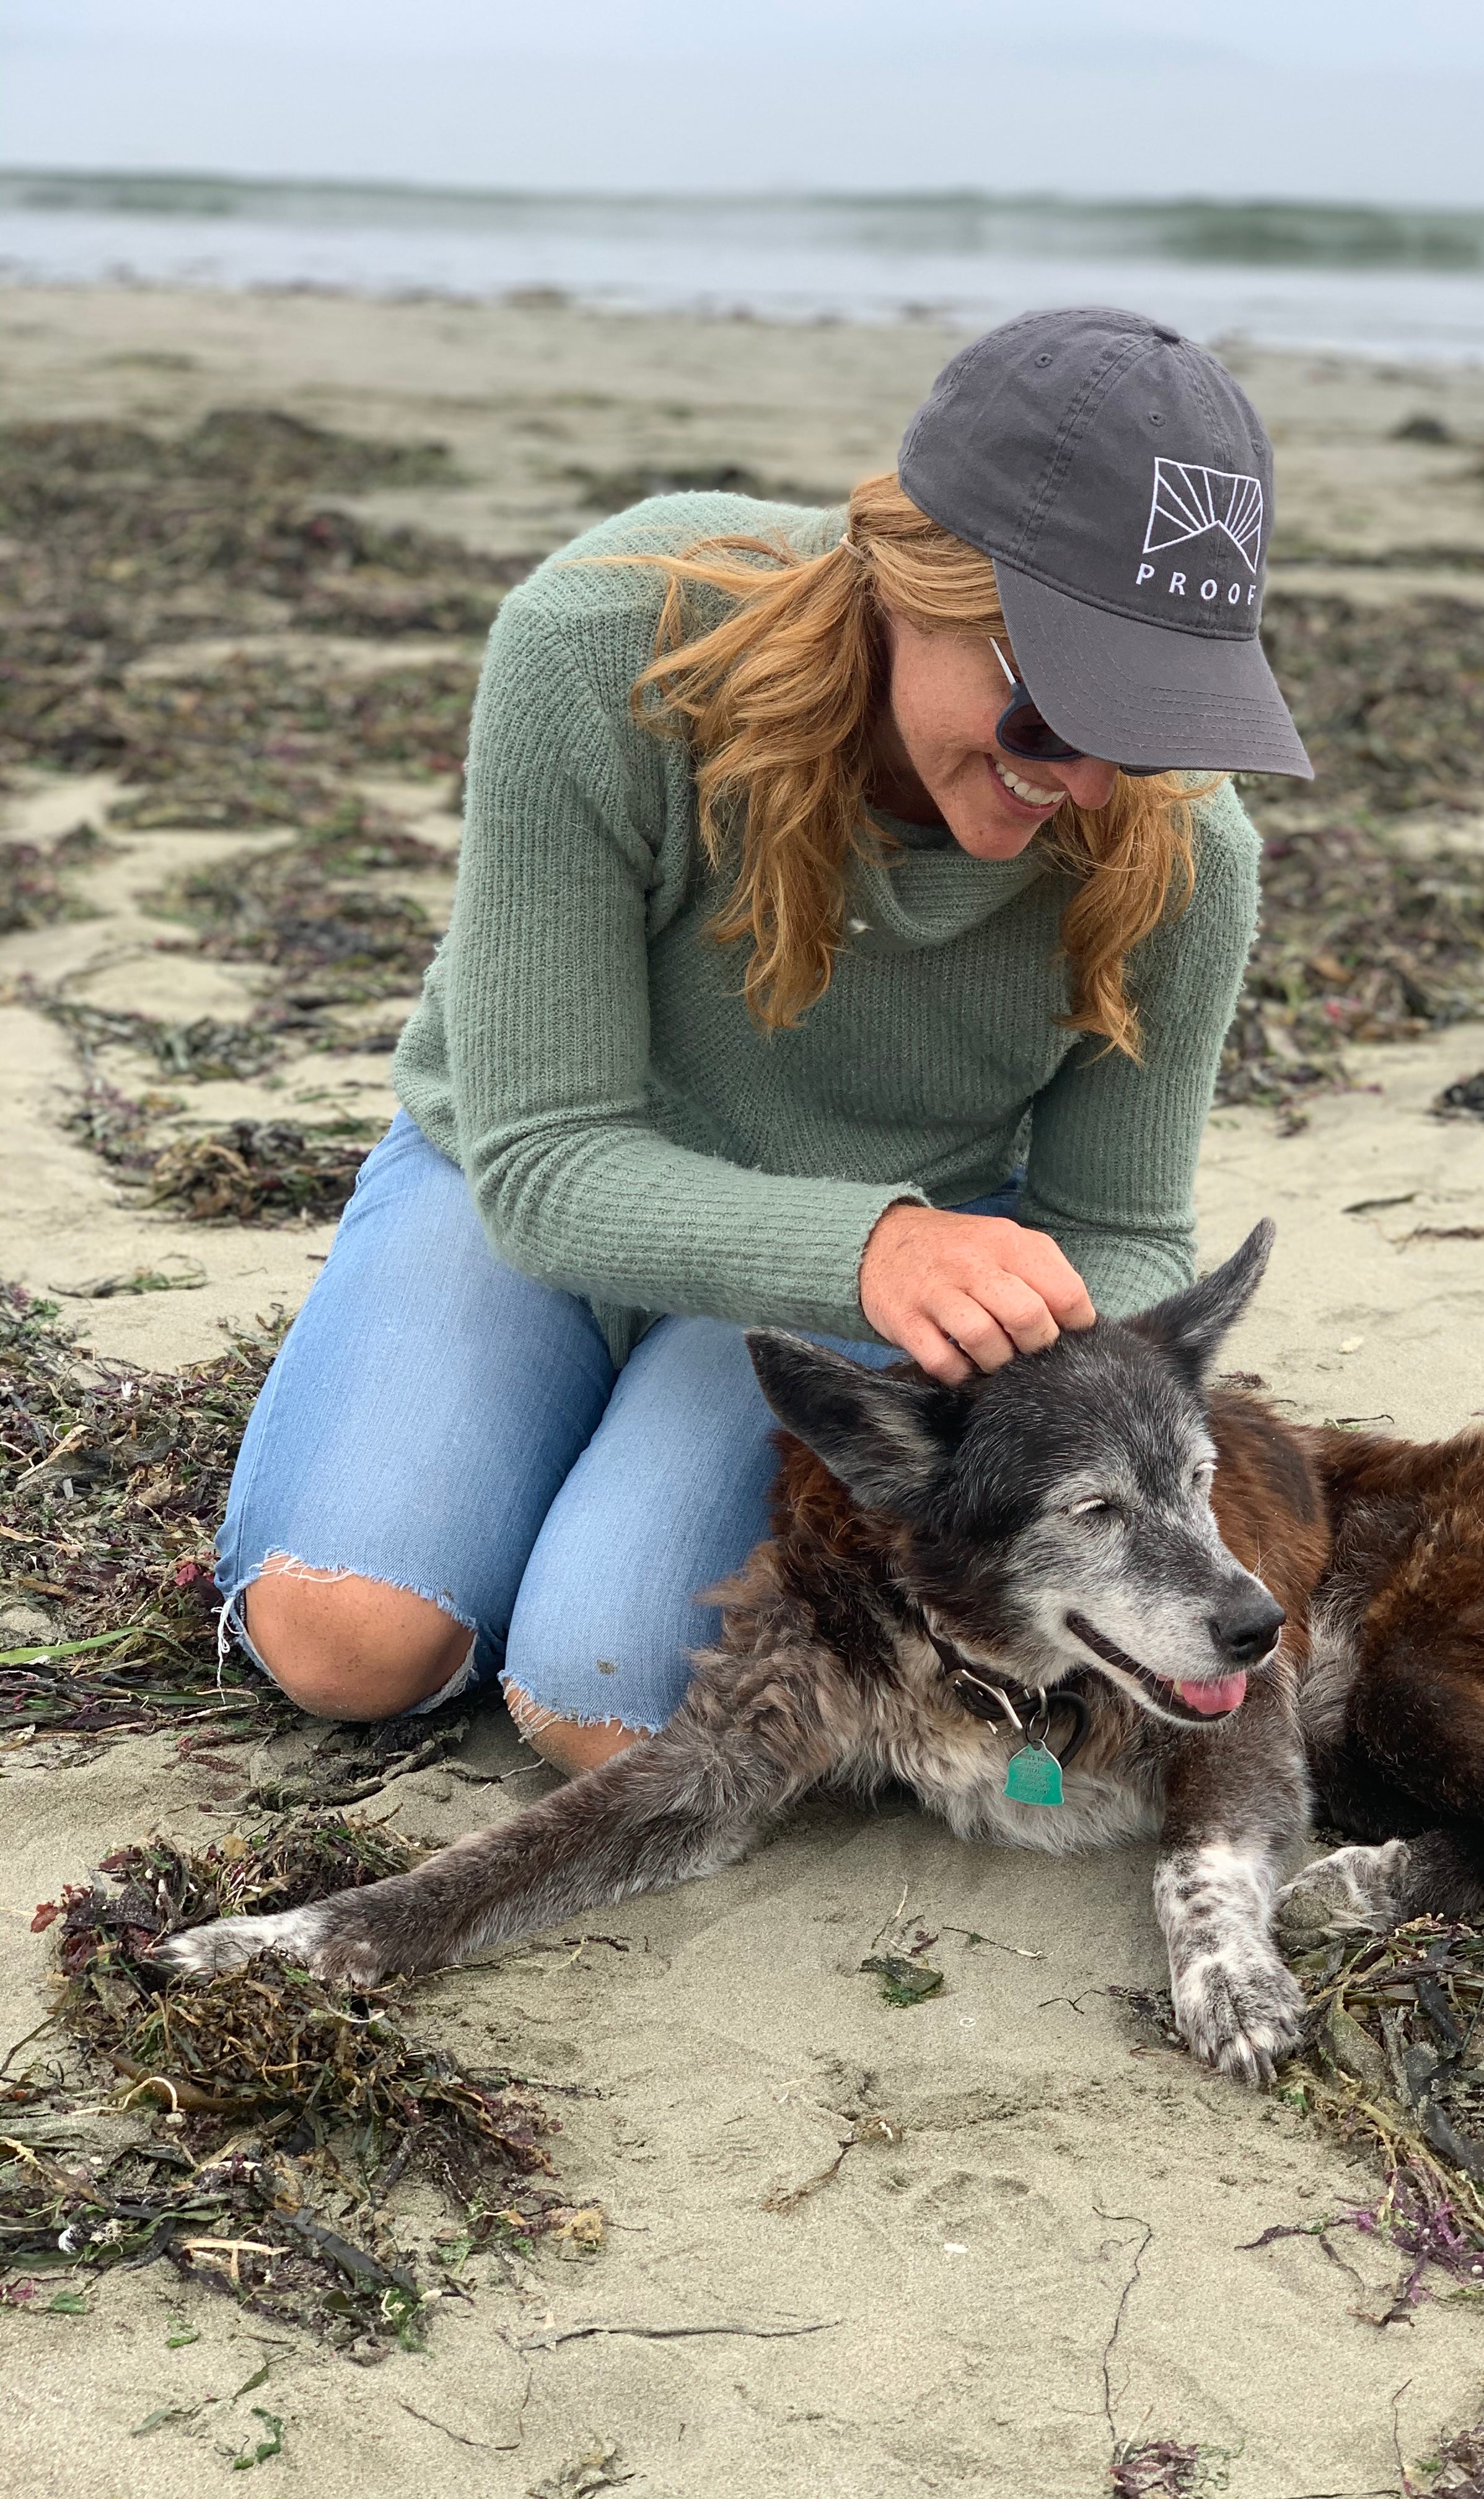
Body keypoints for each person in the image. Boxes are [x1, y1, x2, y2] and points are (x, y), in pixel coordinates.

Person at [214, 305, 1312, 1774]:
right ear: (912, 582)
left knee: (600, 1707)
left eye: (1158, 724)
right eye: (1053, 714)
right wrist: (872, 1246)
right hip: (543, 1193)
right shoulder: (607, 650)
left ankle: (595, 1470)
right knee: (350, 1646)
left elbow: (1112, 1229)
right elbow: (545, 1159)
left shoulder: (1182, 853)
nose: (1096, 786)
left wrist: (999, 1389)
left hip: (877, 1281)